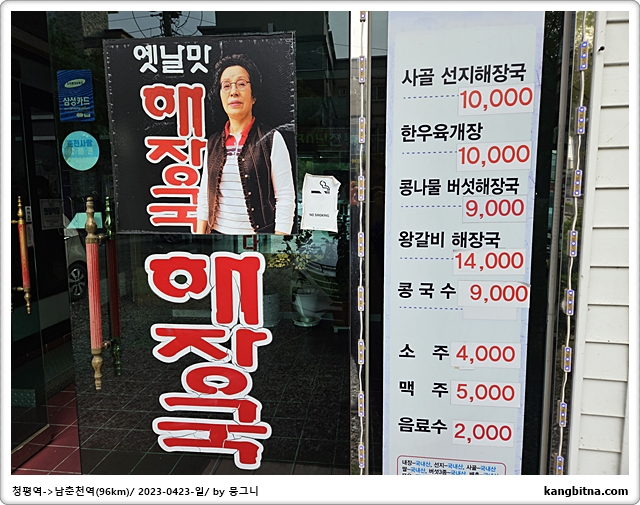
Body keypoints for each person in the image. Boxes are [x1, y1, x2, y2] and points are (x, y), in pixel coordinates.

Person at [196, 54, 296, 235]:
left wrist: (277, 244)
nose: (233, 92)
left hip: (259, 240)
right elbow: (204, 196)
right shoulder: (213, 142)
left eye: (241, 84)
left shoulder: (272, 139)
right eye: (226, 86)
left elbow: (285, 198)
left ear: (254, 95)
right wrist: (199, 239)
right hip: (216, 237)